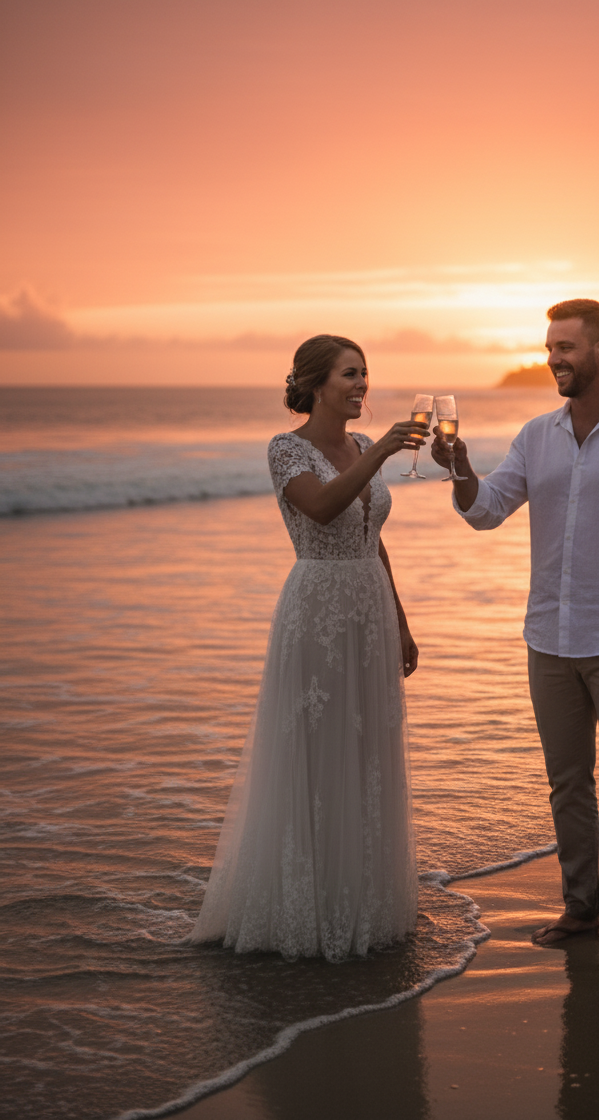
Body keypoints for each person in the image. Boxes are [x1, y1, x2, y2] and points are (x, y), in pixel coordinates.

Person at [431, 299, 599, 963]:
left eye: (567, 348)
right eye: (550, 347)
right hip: (547, 638)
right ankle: (581, 911)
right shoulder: (536, 435)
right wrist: (460, 467)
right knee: (566, 783)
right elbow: (487, 511)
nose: (554, 358)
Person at [190, 335, 427, 961]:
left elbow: (371, 536)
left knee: (366, 750)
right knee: (315, 751)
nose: (361, 385)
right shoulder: (286, 448)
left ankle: (362, 902)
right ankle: (303, 908)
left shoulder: (358, 447)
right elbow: (322, 509)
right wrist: (379, 454)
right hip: (317, 608)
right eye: (350, 375)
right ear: (316, 384)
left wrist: (400, 619)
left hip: (369, 608)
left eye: (365, 374)